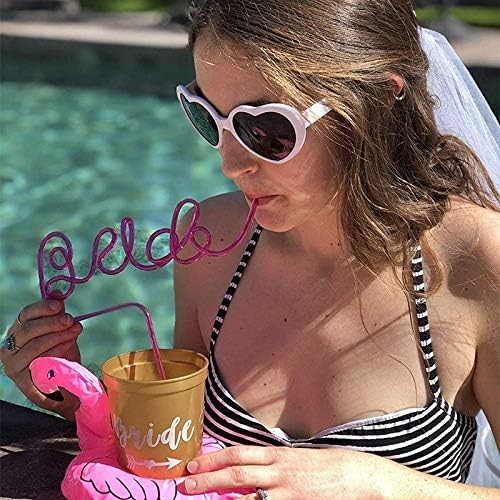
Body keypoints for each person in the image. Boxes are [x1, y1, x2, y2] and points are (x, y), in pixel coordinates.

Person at [1, 1, 499, 498]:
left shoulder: (477, 259)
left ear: (381, 101)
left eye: (266, 130)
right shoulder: (210, 239)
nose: (231, 164)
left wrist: (379, 483)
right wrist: (77, 398)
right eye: (208, 118)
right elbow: (184, 448)